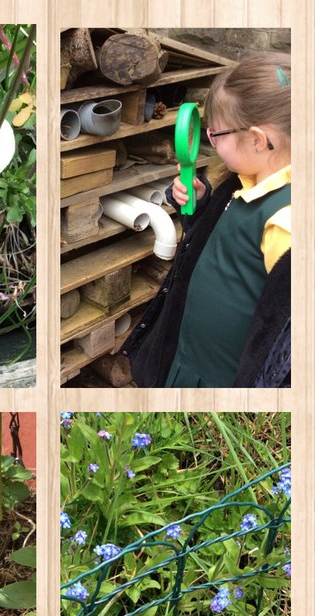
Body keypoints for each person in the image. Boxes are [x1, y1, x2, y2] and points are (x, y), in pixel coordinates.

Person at [122, 52, 291, 387]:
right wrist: (200, 205)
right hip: (187, 358)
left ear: (257, 139)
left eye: (217, 135)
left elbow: (283, 338)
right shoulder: (243, 181)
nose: (210, 141)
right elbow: (216, 245)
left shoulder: (286, 223)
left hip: (222, 381)